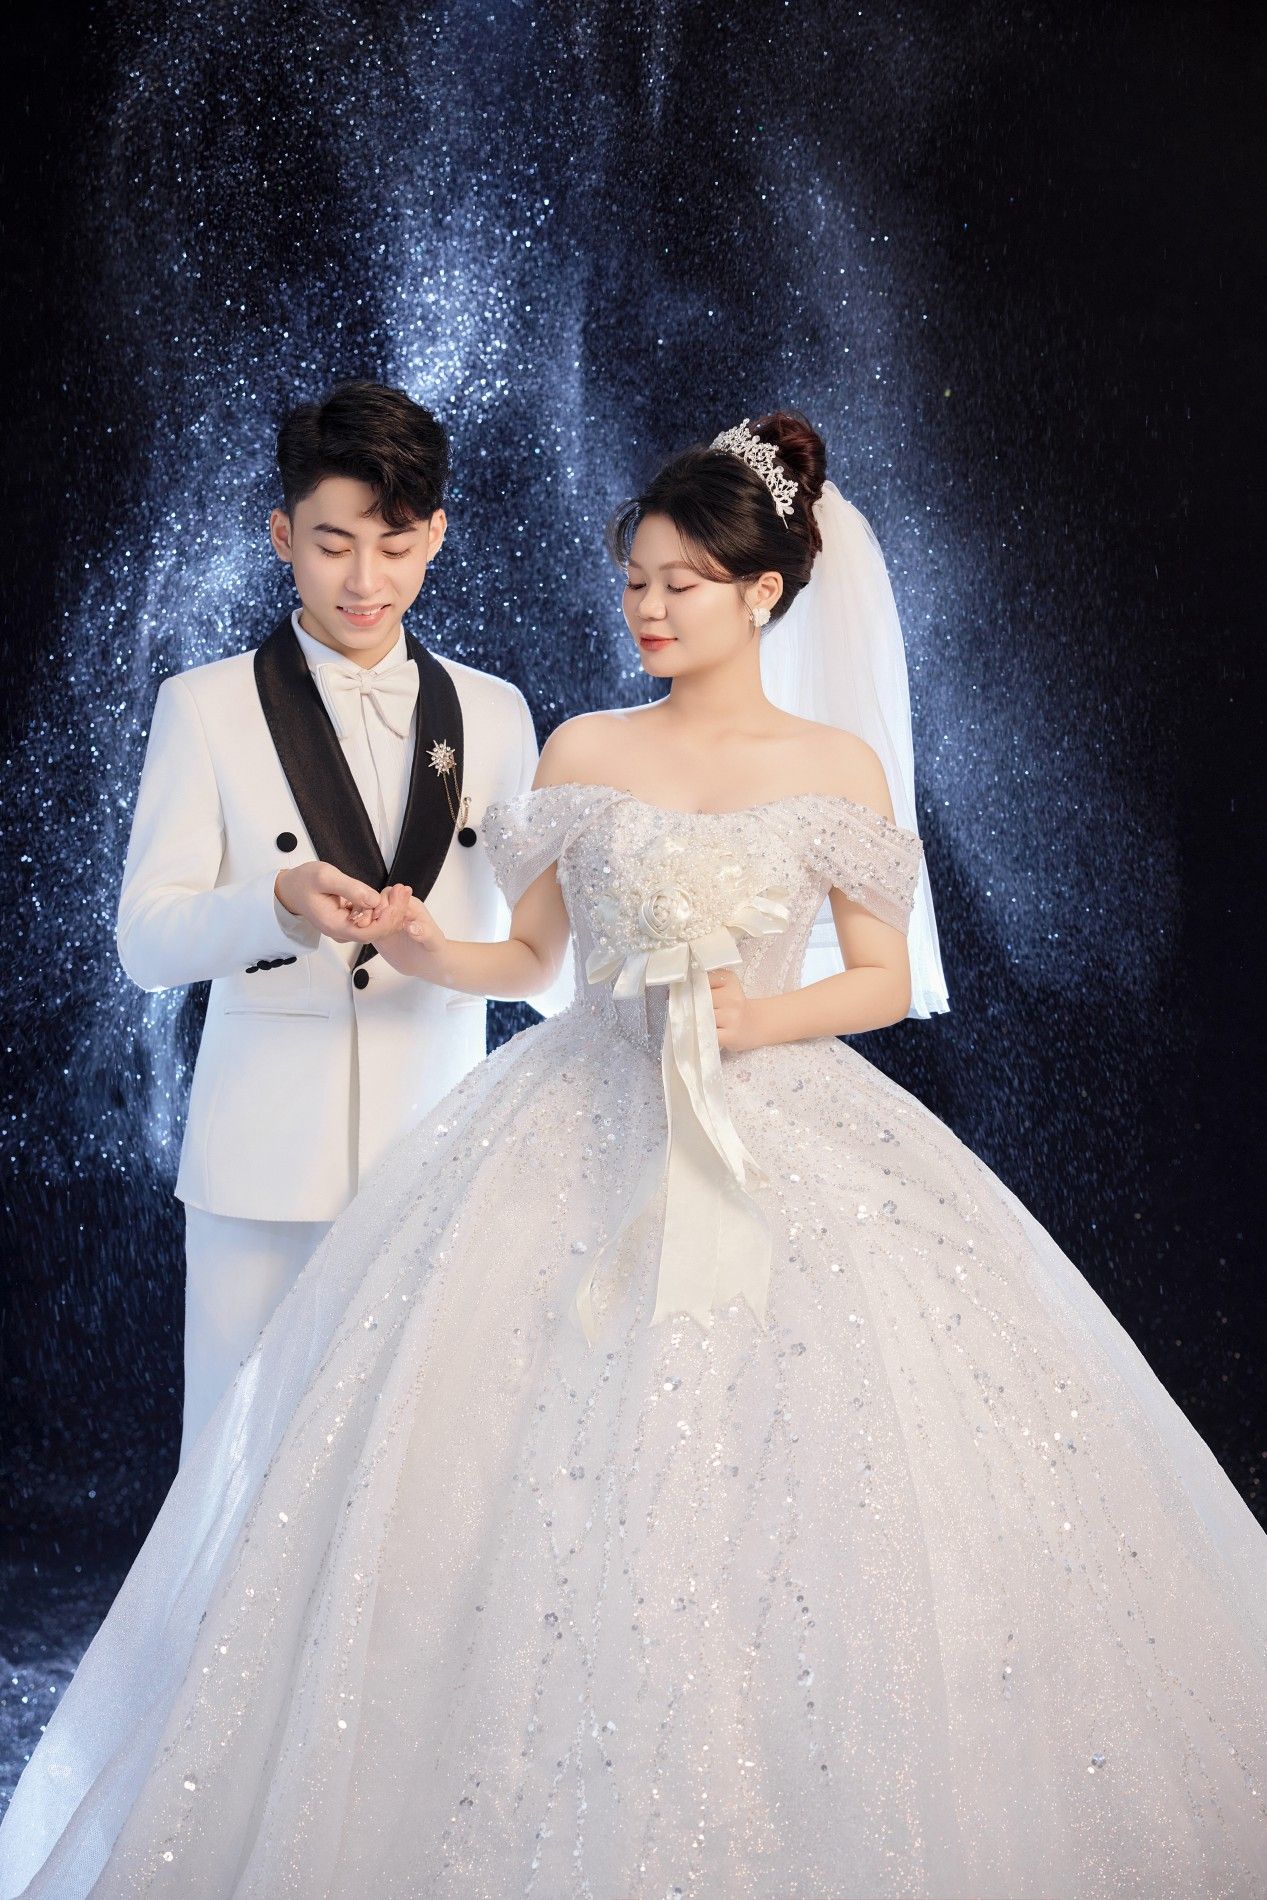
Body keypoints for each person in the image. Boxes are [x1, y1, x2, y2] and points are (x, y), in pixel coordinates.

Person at [2, 413, 1264, 1898]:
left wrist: (753, 1018)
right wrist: (422, 941)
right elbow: (530, 959)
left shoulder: (834, 765)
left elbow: (880, 978)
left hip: (773, 1117)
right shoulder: (584, 746)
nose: (646, 608)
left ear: (764, 592)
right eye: (635, 581)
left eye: (680, 583)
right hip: (570, 1114)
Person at [114, 379, 569, 1464]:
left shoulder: (496, 713)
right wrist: (274, 903)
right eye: (332, 545)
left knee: (418, 1470)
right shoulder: (204, 705)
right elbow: (145, 945)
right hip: (262, 1161)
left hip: (440, 1155)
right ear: (283, 536)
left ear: (436, 537)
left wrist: (448, 955)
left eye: (395, 545)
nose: (365, 581)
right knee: (235, 1466)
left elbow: (552, 972)